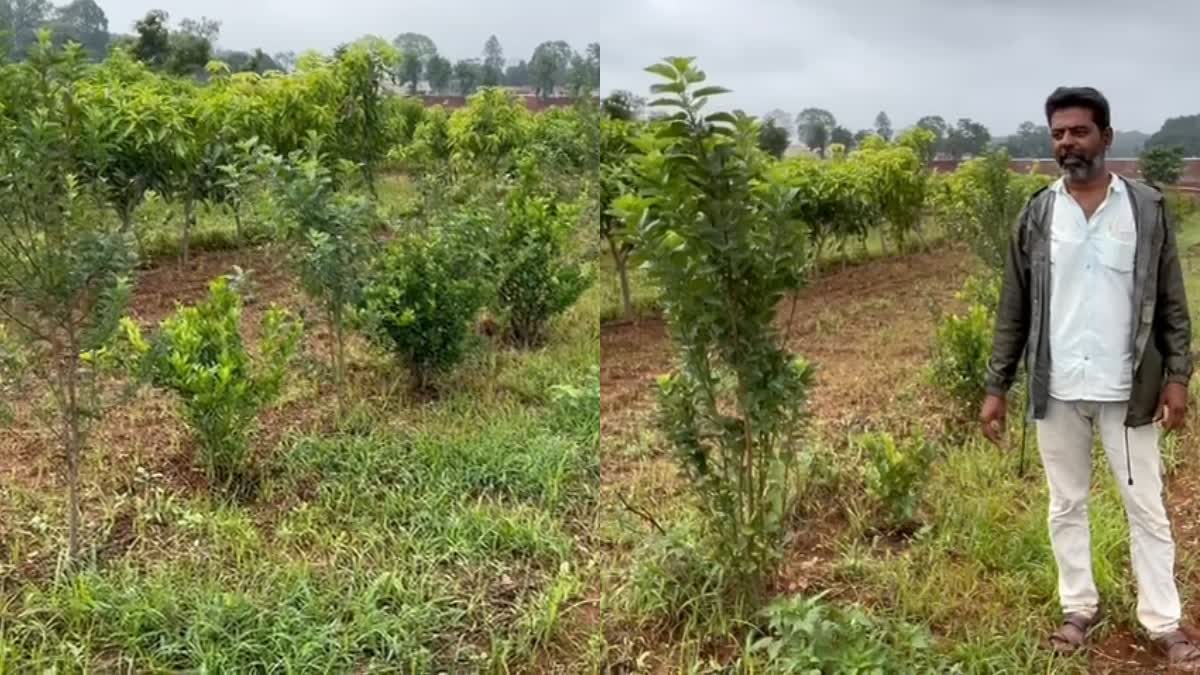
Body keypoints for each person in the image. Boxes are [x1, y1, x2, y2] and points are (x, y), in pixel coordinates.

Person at [979, 85, 1198, 667]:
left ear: (1106, 134)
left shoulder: (1145, 208)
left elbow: (1172, 301)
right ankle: (1078, 607)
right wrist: (996, 386)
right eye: (1057, 133)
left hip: (1129, 390)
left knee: (1145, 505)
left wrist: (1178, 375)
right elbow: (1014, 307)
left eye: (1078, 131)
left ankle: (1164, 622)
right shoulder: (1037, 214)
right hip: (1058, 389)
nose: (1067, 143)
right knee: (1065, 504)